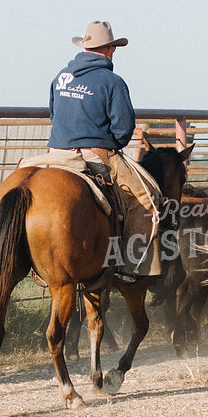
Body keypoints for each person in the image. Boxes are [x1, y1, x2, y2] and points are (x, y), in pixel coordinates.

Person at [46, 20, 163, 279]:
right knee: (148, 199)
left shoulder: (60, 78)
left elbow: (54, 114)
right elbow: (123, 128)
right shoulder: (113, 82)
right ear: (110, 49)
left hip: (55, 152)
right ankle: (132, 268)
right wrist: (110, 145)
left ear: (85, 47)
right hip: (95, 153)